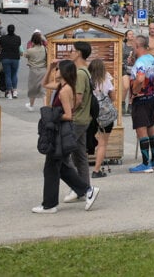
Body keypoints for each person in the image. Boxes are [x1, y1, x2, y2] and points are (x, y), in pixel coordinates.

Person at [35, 61, 98, 213]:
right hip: (60, 129)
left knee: (52, 166)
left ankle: (49, 205)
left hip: (60, 131)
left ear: (63, 72)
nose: (56, 72)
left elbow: (69, 114)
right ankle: (86, 190)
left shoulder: (64, 90)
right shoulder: (63, 87)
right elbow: (44, 84)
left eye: (57, 69)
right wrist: (49, 68)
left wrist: (52, 115)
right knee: (60, 166)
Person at [59, 42, 93, 204]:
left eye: (72, 51)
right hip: (84, 118)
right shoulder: (86, 71)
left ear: (79, 53)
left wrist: (67, 112)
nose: (70, 53)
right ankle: (85, 188)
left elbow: (78, 99)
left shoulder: (79, 73)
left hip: (77, 119)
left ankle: (78, 186)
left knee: (65, 155)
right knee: (80, 156)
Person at [128, 35, 154, 173]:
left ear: (137, 45)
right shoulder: (151, 59)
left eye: (133, 46)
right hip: (152, 97)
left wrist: (135, 92)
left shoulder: (141, 62)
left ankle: (145, 163)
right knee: (150, 128)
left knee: (141, 130)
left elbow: (141, 78)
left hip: (141, 99)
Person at [87, 58, 114, 179]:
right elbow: (113, 97)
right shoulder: (106, 79)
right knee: (103, 143)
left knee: (85, 140)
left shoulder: (87, 80)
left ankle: (78, 167)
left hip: (89, 115)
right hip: (104, 115)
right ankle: (96, 170)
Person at [24, 31, 48, 110]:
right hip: (43, 70)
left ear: (33, 41)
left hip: (33, 71)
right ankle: (45, 106)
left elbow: (25, 55)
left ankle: (31, 105)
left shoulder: (30, 50)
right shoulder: (44, 49)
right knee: (43, 89)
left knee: (32, 88)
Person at [0, 24, 22, 99]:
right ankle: (14, 90)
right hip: (15, 58)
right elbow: (18, 46)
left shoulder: (3, 38)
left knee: (7, 75)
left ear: (7, 30)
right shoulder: (18, 38)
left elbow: (0, 47)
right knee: (14, 74)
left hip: (5, 58)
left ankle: (9, 92)